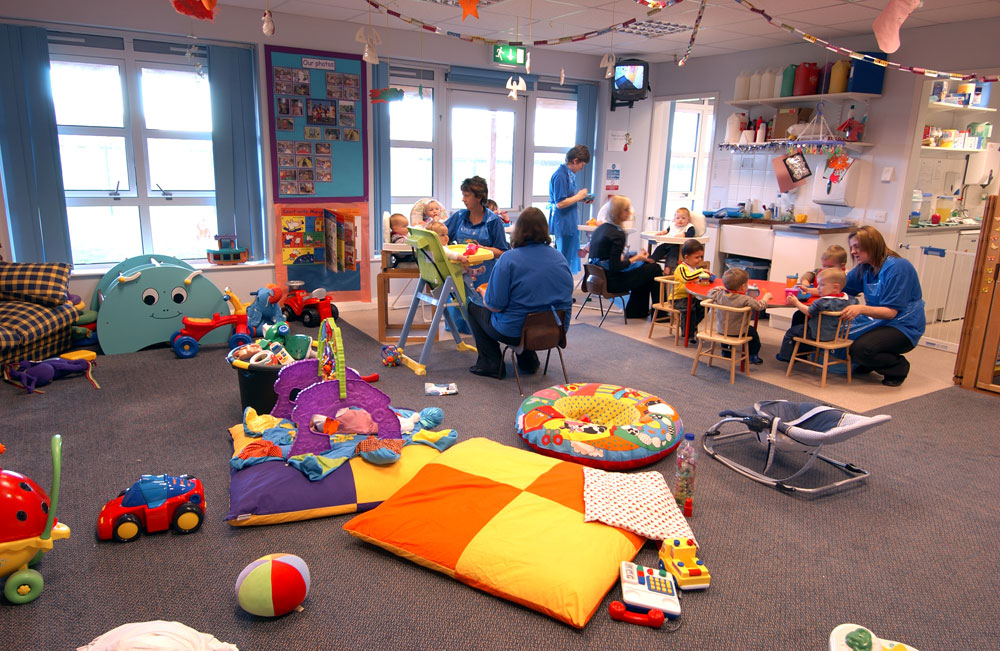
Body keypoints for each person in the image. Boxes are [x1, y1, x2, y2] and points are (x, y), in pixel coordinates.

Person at [466, 207, 573, 379]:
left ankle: (491, 363)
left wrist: (484, 295)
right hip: (556, 330)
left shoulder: (509, 259)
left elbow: (495, 305)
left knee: (473, 306)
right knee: (529, 308)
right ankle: (528, 361)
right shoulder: (560, 257)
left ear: (518, 230)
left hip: (515, 332)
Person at [840, 225, 925, 386]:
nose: (853, 252)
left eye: (857, 247)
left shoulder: (898, 268)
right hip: (878, 321)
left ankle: (898, 368)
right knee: (840, 334)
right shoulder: (865, 268)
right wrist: (811, 279)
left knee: (862, 349)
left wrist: (860, 309)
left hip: (903, 326)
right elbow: (840, 284)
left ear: (872, 245)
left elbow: (891, 312)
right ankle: (867, 362)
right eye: (852, 247)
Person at [587, 195, 661, 319]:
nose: (629, 213)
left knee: (646, 268)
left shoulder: (601, 229)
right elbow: (615, 267)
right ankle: (660, 313)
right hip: (611, 282)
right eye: (626, 210)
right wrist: (636, 258)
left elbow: (607, 258)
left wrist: (633, 258)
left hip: (597, 279)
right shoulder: (618, 234)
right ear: (617, 212)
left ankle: (637, 311)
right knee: (655, 268)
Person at [776, 267, 858, 362]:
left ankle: (785, 356)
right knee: (802, 324)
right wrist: (807, 290)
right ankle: (804, 352)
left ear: (835, 287)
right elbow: (856, 304)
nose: (818, 288)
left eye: (822, 285)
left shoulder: (822, 302)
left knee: (792, 332)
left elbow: (809, 311)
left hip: (816, 334)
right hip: (834, 335)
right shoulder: (849, 300)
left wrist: (796, 303)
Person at [445, 175, 509, 281]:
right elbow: (441, 237)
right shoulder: (459, 216)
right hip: (460, 278)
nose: (463, 199)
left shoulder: (493, 221)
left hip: (485, 279)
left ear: (479, 197)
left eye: (467, 196)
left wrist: (482, 249)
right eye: (463, 195)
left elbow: (502, 253)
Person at [707, 268, 772, 364]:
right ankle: (753, 355)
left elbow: (709, 293)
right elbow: (759, 306)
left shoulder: (719, 294)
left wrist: (719, 288)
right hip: (739, 331)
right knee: (753, 333)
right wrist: (766, 298)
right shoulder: (746, 299)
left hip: (721, 329)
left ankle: (726, 351)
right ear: (744, 286)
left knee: (726, 330)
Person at [549, 144, 593, 273]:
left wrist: (582, 199)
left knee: (568, 260)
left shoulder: (569, 175)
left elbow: (568, 198)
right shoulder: (560, 175)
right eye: (582, 165)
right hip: (563, 223)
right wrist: (578, 196)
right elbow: (560, 203)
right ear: (575, 160)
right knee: (562, 261)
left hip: (569, 222)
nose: (581, 168)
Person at [791, 244, 849, 328]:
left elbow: (824, 291)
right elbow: (811, 274)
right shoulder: (821, 271)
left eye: (830, 266)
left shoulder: (842, 277)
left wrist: (807, 290)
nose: (826, 269)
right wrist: (805, 280)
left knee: (800, 316)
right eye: (824, 265)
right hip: (817, 306)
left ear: (842, 266)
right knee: (799, 316)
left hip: (827, 312)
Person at [672, 239, 709, 343]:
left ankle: (692, 326)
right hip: (679, 298)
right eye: (696, 257)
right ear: (687, 257)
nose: (699, 260)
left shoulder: (694, 268)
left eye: (701, 257)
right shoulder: (682, 267)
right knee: (690, 309)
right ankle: (688, 334)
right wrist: (701, 272)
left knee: (704, 306)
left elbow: (696, 281)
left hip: (691, 297)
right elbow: (686, 278)